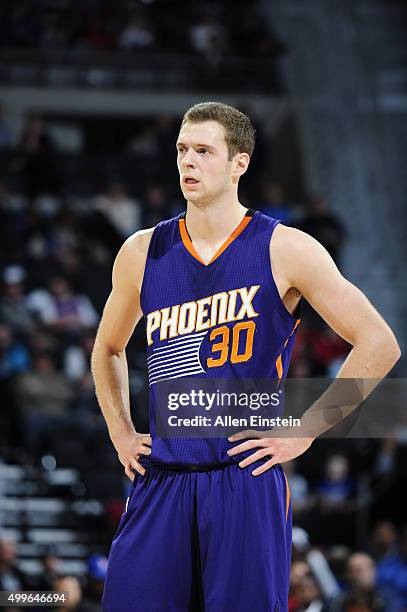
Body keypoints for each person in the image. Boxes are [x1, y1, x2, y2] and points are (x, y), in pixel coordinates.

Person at [91, 102, 400, 611]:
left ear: (240, 163)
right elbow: (107, 347)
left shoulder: (287, 248)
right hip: (161, 478)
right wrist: (120, 430)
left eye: (204, 151)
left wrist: (306, 430)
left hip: (243, 477)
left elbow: (379, 342)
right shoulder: (141, 252)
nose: (188, 162)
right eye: (182, 150)